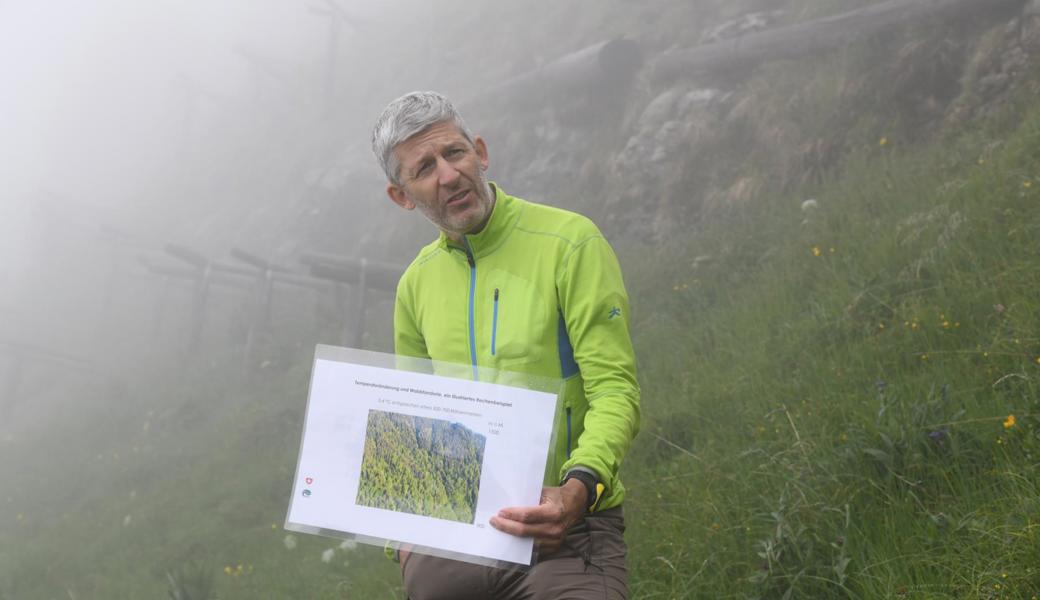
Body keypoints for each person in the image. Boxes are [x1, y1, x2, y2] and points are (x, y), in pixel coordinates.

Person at [371, 91, 640, 600]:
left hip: (566, 528)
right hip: (451, 537)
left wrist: (580, 489)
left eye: (455, 153)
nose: (449, 175)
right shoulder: (414, 286)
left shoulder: (570, 242)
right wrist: (402, 543)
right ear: (402, 196)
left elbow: (615, 390)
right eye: (425, 167)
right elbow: (413, 424)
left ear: (481, 151)